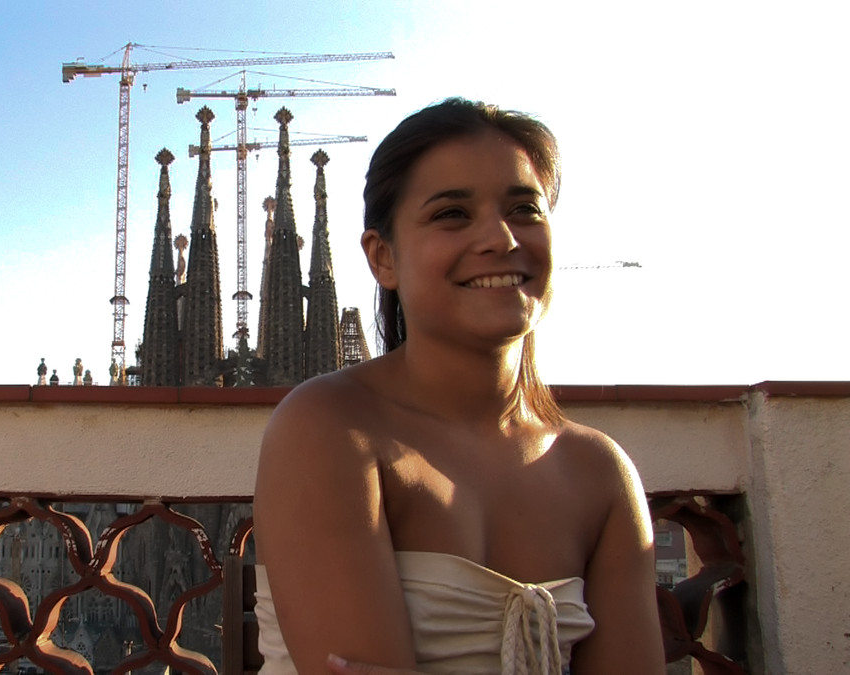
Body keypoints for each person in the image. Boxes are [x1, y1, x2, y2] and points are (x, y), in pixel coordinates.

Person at [252, 98, 664, 675]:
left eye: (524, 208)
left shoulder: (601, 471)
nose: (500, 237)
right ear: (383, 258)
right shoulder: (329, 426)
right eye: (452, 214)